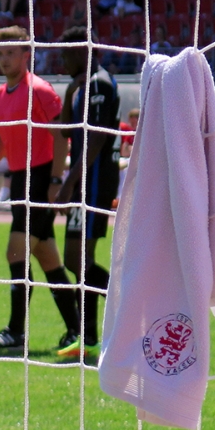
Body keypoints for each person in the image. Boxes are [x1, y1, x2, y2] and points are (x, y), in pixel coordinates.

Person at [0, 27, 80, 353]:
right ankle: (79, 331)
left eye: (11, 53)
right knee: (47, 258)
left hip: (41, 179)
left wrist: (55, 181)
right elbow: (2, 138)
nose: (4, 59)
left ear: (26, 55)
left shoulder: (40, 90)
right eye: (0, 53)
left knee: (15, 252)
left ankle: (16, 332)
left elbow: (62, 135)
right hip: (21, 180)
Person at [54, 26, 120, 359]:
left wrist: (68, 182)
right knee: (76, 260)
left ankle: (127, 309)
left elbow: (96, 138)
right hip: (84, 181)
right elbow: (65, 130)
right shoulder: (83, 86)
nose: (62, 62)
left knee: (79, 259)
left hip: (94, 182)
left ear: (81, 52)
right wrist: (69, 92)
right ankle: (90, 338)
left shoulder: (100, 85)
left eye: (66, 56)